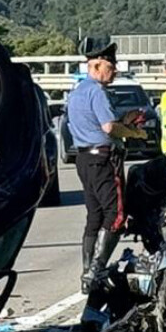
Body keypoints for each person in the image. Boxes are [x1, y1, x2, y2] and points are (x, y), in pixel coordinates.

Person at [67, 37, 148, 293]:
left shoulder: (76, 92)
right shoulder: (97, 91)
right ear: (98, 65)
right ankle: (96, 270)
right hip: (103, 158)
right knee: (116, 215)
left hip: (84, 158)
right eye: (111, 68)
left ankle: (88, 271)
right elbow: (108, 127)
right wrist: (134, 133)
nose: (114, 73)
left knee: (95, 215)